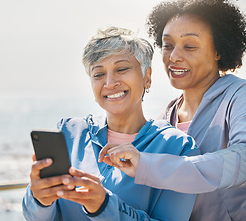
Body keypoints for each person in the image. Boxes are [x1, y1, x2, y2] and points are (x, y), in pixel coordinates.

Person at [99, 0, 246, 221]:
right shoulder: (164, 119)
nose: (174, 57)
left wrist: (149, 166)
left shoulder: (240, 94)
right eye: (168, 45)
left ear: (218, 50)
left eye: (189, 46)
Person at [22, 27, 200, 220]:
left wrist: (104, 206)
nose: (109, 82)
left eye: (122, 69)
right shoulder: (69, 133)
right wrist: (39, 200)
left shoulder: (179, 149)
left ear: (147, 77)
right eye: (98, 74)